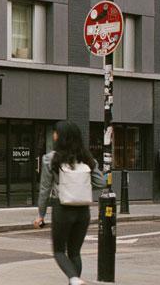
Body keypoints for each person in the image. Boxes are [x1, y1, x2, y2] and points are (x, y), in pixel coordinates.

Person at [33, 121, 99, 285]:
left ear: (60, 136)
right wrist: (82, 183)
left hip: (62, 209)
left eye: (55, 132)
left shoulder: (50, 159)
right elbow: (100, 182)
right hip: (83, 210)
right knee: (75, 252)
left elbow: (44, 190)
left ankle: (74, 279)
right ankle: (75, 280)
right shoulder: (87, 158)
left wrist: (40, 215)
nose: (54, 135)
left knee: (59, 250)